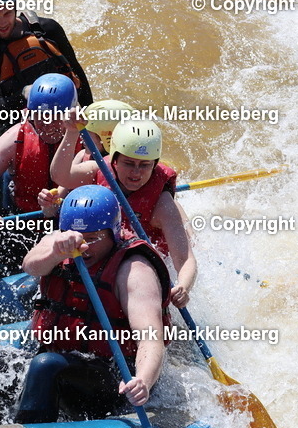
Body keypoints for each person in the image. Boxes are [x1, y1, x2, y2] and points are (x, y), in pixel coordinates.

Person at [14, 185, 175, 423]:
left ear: (114, 232)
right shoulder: (59, 241)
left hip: (113, 376)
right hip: (63, 360)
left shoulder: (134, 271)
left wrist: (143, 380)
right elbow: (30, 266)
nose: (84, 247)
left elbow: (151, 338)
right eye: (78, 238)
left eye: (93, 238)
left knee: (46, 365)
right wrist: (57, 253)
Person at [50, 117, 196, 308]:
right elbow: (60, 175)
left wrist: (184, 286)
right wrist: (71, 131)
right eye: (128, 163)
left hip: (140, 266)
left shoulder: (163, 204)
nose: (136, 173)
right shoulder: (100, 169)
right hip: (103, 254)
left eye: (144, 165)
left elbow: (185, 259)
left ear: (155, 164)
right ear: (115, 160)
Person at [0, 73, 80, 285]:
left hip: (70, 230)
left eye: (55, 117)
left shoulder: (89, 142)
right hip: (23, 229)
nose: (46, 125)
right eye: (39, 116)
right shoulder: (16, 137)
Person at [0, 0, 93, 140]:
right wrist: (25, 93)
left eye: (7, 13)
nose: (1, 22)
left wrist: (90, 118)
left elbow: (76, 74)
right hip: (20, 128)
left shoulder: (48, 30)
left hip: (64, 120)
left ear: (15, 8)